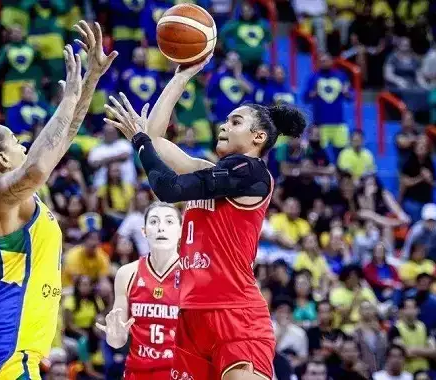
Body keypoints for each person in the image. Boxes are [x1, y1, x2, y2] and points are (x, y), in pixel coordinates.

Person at [104, 54, 307, 380]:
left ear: (258, 138)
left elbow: (166, 186)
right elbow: (157, 139)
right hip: (191, 316)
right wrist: (182, 75)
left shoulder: (251, 172)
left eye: (237, 121)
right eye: (226, 120)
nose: (225, 125)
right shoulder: (210, 174)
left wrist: (140, 141)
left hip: (235, 314)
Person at [0, 21, 117, 380]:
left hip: (17, 349)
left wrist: (90, 81)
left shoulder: (18, 198)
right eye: (15, 141)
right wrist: (66, 98)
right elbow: (37, 168)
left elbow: (65, 135)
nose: (24, 144)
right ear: (3, 160)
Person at [96, 202, 182, 380]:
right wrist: (114, 336)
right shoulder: (127, 273)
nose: (161, 228)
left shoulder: (193, 275)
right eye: (154, 222)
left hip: (178, 372)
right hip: (138, 372)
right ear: (144, 232)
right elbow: (118, 340)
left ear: (181, 231)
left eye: (169, 222)